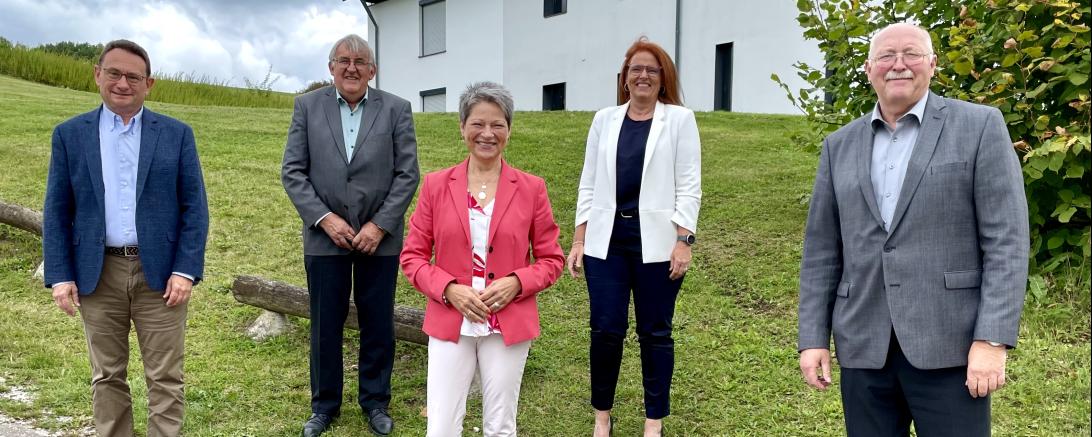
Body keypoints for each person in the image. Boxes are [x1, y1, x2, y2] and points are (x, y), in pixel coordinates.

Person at [797, 23, 1029, 436]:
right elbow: (821, 251)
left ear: (933, 65)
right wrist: (813, 338)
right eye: (886, 56)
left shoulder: (980, 127)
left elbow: (1006, 243)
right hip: (864, 348)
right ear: (869, 69)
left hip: (951, 348)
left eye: (912, 54)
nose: (898, 65)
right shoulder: (839, 146)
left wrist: (992, 341)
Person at [42, 39, 209, 436]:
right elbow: (57, 209)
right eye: (114, 73)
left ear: (148, 84)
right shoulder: (70, 135)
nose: (122, 83)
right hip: (97, 273)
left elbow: (195, 208)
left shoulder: (176, 134)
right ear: (97, 75)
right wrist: (61, 275)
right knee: (107, 376)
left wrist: (186, 270)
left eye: (133, 76)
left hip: (162, 276)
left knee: (166, 377)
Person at [400, 81, 564, 437]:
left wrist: (517, 282)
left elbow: (552, 260)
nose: (487, 133)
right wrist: (449, 290)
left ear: (508, 130)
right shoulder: (435, 185)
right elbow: (412, 257)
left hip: (507, 323)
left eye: (497, 125)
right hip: (449, 322)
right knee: (441, 425)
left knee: (501, 425)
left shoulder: (532, 189)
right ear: (462, 128)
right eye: (477, 123)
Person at [281, 34, 419, 437]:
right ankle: (324, 406)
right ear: (331, 67)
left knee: (378, 322)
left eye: (360, 61)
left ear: (372, 70)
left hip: (381, 239)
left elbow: (407, 173)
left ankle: (375, 402)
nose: (352, 68)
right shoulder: (307, 106)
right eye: (344, 60)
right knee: (325, 324)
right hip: (326, 239)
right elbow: (293, 170)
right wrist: (324, 218)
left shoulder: (396, 109)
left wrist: (379, 225)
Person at [566, 37, 701, 437]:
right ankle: (602, 416)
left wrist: (684, 240)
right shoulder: (604, 119)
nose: (643, 75)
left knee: (655, 331)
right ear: (624, 78)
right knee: (605, 329)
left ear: (663, 79)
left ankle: (653, 420)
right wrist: (578, 240)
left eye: (652, 70)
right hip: (606, 240)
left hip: (657, 242)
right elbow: (588, 184)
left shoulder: (679, 120)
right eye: (635, 69)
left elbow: (689, 185)